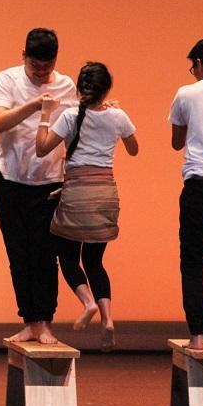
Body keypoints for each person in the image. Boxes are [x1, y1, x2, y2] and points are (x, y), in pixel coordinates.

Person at [35, 62, 138, 351]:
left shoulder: (69, 115)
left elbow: (42, 148)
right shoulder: (117, 115)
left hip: (77, 192)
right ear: (107, 89)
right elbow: (134, 148)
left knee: (68, 257)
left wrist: (44, 116)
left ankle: (88, 302)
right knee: (95, 261)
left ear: (80, 89)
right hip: (105, 193)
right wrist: (115, 114)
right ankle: (107, 319)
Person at [0, 28, 77, 344]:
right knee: (18, 253)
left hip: (50, 182)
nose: (41, 72)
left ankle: (45, 322)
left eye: (47, 66)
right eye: (35, 66)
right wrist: (36, 105)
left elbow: (77, 125)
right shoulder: (8, 80)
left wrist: (101, 111)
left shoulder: (67, 85)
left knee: (45, 254)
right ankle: (28, 321)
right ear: (23, 55)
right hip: (10, 179)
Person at [169, 38, 203, 350]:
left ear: (200, 62)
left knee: (192, 261)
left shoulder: (186, 94)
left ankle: (197, 336)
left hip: (199, 184)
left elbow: (177, 142)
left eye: (193, 67)